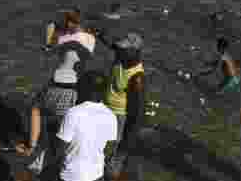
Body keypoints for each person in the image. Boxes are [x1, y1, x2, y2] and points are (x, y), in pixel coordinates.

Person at [16, 39, 92, 174]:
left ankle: (35, 152)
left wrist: (32, 146)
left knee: (39, 113)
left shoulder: (62, 53)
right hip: (71, 96)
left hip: (53, 94)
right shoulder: (83, 60)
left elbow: (35, 110)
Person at [52, 71, 117, 181]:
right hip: (96, 175)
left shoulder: (73, 113)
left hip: (71, 176)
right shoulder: (111, 116)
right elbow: (109, 149)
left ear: (82, 89)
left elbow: (59, 148)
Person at [104, 33, 145, 181]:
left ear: (135, 52)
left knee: (111, 163)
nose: (120, 50)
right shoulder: (122, 58)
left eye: (125, 49)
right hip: (105, 111)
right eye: (121, 48)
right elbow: (112, 44)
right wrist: (97, 33)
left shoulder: (137, 78)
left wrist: (125, 145)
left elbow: (137, 115)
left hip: (118, 119)